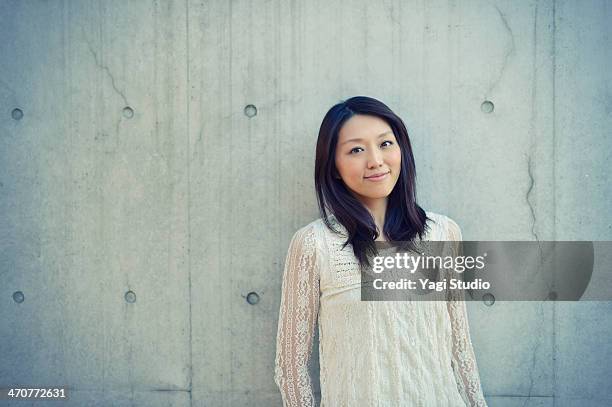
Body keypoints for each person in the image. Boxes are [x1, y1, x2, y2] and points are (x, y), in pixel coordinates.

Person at [274, 96, 487, 406]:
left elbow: (460, 348)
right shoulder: (314, 244)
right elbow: (290, 367)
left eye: (386, 144)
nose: (375, 160)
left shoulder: (443, 232)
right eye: (356, 150)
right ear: (333, 166)